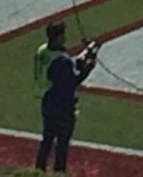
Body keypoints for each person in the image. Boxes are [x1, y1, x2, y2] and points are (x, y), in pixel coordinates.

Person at [33, 21, 101, 172]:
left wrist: (84, 54)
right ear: (58, 37)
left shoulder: (43, 50)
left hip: (47, 100)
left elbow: (67, 64)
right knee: (62, 143)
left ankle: (38, 171)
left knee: (47, 140)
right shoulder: (62, 61)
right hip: (62, 105)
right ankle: (59, 172)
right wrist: (89, 65)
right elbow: (73, 80)